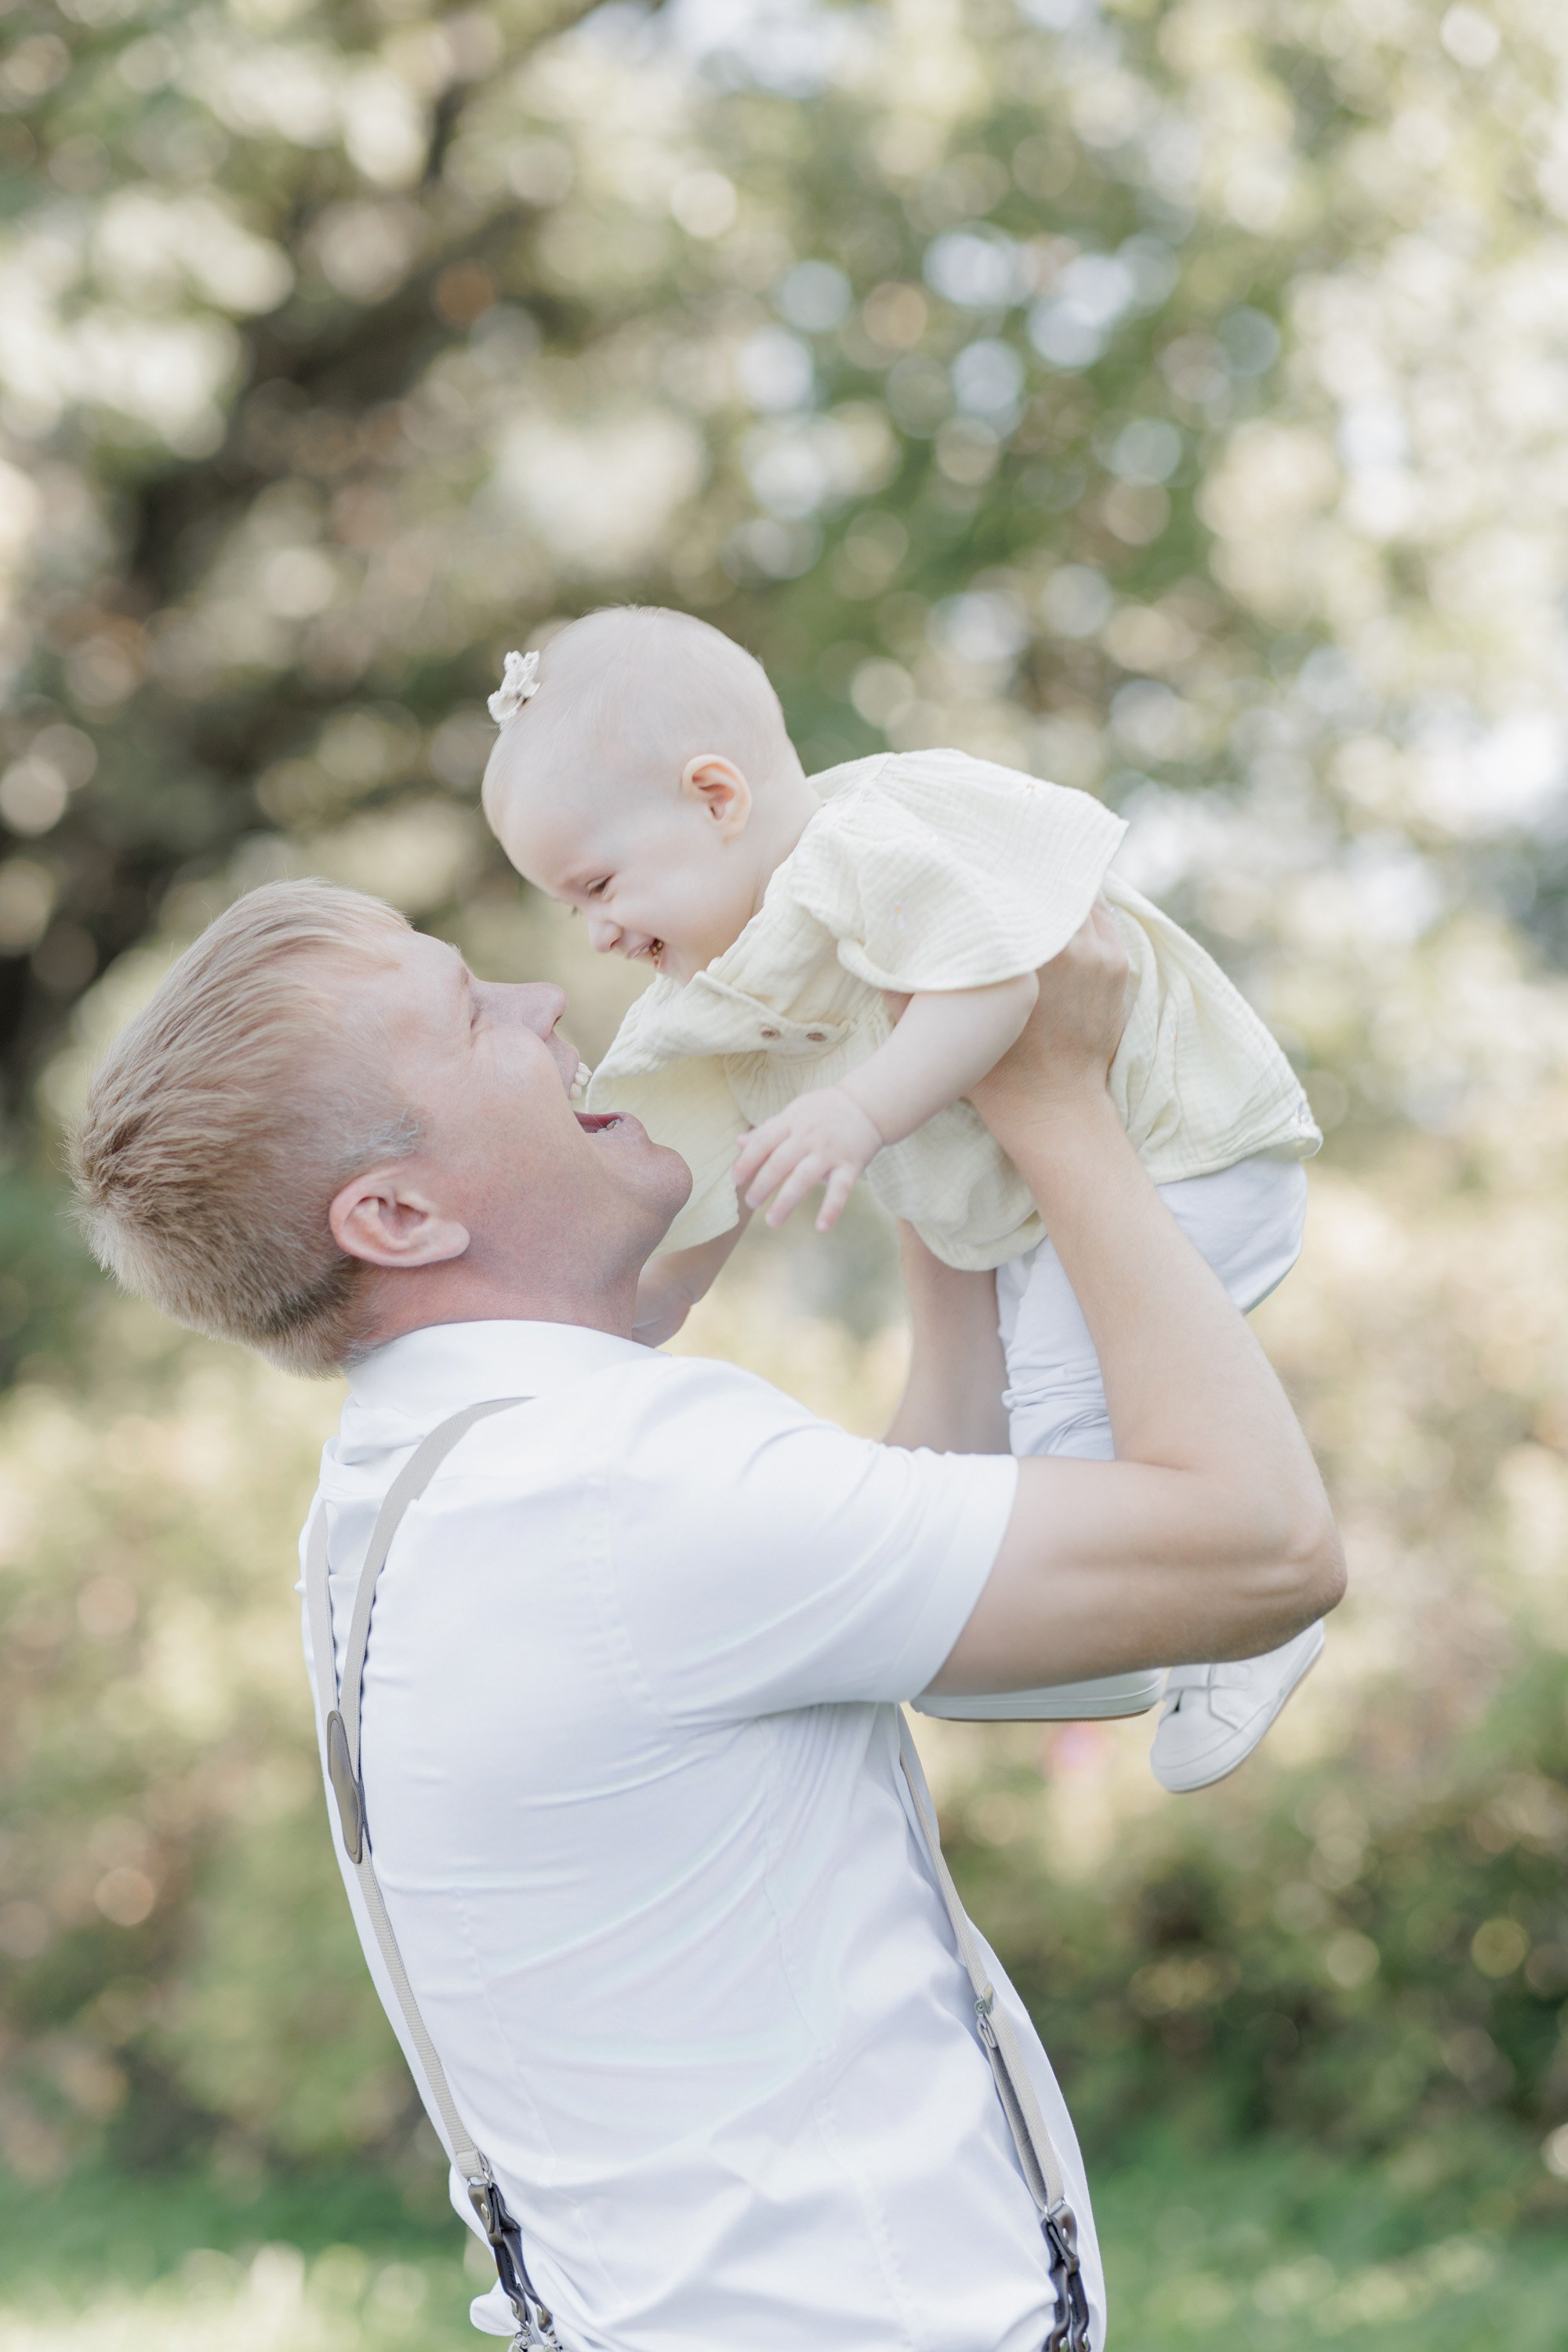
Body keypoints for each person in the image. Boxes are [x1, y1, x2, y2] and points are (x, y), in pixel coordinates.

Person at [71, 877, 1342, 2352]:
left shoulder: (406, 1487)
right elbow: (1264, 1549)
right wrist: (1055, 1103)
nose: (549, 1006)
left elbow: (929, 1587)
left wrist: (938, 1171)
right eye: (475, 1017)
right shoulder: (623, 1485)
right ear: (400, 1214)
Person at [483, 608, 1324, 1791]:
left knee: (1078, 1422)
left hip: (1182, 1146)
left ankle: (1239, 1615)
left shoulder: (863, 851)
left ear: (717, 797)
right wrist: (642, 1304)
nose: (596, 931)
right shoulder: (729, 975)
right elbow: (697, 1157)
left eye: (599, 884)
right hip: (1069, 1200)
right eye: (570, 906)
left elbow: (999, 987)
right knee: (1052, 1415)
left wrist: (863, 1111)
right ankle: (1100, 1640)